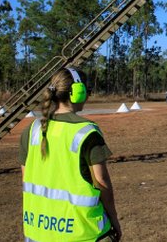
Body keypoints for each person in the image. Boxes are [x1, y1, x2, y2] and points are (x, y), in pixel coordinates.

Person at [19, 67, 122, 241]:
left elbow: (26, 177)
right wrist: (114, 218)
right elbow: (102, 182)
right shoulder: (87, 132)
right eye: (88, 91)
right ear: (78, 93)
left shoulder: (31, 130)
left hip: (36, 232)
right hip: (81, 233)